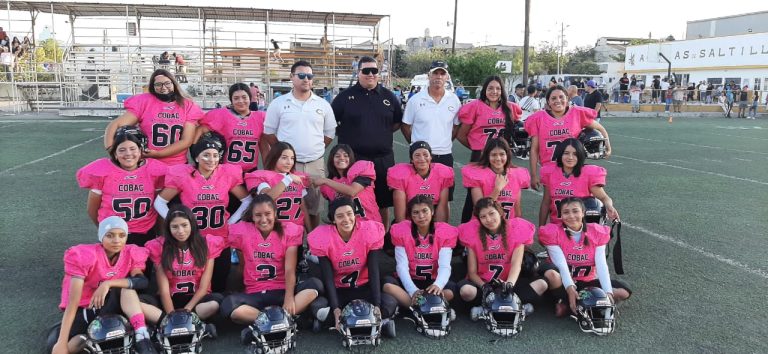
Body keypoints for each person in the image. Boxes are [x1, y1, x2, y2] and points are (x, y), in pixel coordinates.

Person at [154, 135, 251, 292]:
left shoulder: (226, 174)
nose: (211, 159)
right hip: (193, 238)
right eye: (206, 155)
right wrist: (176, 222)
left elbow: (247, 200)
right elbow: (159, 202)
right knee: (194, 283)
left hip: (220, 237)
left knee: (220, 281)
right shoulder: (184, 175)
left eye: (215, 155)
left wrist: (231, 222)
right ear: (197, 158)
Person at [49, 217, 155, 354]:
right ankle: (91, 341)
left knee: (126, 289)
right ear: (101, 237)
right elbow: (72, 302)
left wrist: (108, 283)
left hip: (114, 304)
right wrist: (61, 342)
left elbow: (141, 281)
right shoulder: (86, 256)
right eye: (110, 235)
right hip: (87, 308)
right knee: (65, 346)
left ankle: (143, 335)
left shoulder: (130, 252)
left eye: (122, 235)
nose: (116, 240)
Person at [222, 194, 322, 338]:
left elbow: (289, 269)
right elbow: (242, 265)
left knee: (315, 285)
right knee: (228, 305)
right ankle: (283, 322)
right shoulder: (243, 231)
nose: (263, 219)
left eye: (268, 214)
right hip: (254, 293)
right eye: (258, 215)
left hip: (280, 291)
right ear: (252, 216)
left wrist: (288, 297)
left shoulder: (288, 230)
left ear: (275, 213)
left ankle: (265, 324)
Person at [307, 197, 398, 335]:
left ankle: (337, 322)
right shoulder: (324, 238)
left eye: (349, 214)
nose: (346, 219)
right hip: (339, 290)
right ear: (333, 219)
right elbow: (328, 277)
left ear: (355, 214)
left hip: (363, 287)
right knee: (317, 307)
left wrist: (377, 305)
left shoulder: (367, 232)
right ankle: (375, 322)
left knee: (390, 303)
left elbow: (374, 271)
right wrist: (336, 307)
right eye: (340, 216)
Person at [263, 60, 336, 230]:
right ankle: (287, 243)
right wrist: (284, 153)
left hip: (314, 163)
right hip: (287, 166)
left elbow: (329, 134)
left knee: (314, 207)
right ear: (291, 77)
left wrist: (315, 149)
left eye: (309, 76)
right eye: (301, 75)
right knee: (284, 205)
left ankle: (312, 245)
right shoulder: (279, 103)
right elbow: (269, 132)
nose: (306, 79)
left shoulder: (323, 104)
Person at [332, 56, 403, 227]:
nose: (370, 74)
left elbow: (397, 123)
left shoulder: (389, 97)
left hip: (383, 159)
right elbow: (331, 124)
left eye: (374, 71)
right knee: (352, 200)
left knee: (383, 202)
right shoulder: (344, 97)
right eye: (366, 71)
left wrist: (378, 134)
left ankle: (382, 236)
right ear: (358, 73)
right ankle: (353, 235)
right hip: (354, 159)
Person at [540, 197, 631, 316]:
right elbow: (561, 264)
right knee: (551, 275)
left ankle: (571, 304)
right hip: (563, 282)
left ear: (583, 213)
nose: (571, 216)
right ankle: (581, 302)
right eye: (566, 212)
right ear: (560, 215)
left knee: (624, 291)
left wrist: (608, 292)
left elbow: (601, 264)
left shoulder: (596, 232)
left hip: (587, 282)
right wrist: (570, 288)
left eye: (575, 211)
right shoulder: (553, 232)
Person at [457, 198, 548, 317]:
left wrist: (509, 284)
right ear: (479, 219)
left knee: (542, 284)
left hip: (508, 283)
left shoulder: (516, 230)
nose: (488, 219)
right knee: (466, 291)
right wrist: (484, 286)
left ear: (500, 212)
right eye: (483, 217)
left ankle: (490, 308)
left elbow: (516, 264)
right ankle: (513, 306)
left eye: (491, 213)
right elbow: (472, 272)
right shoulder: (473, 234)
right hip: (484, 285)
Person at [77, 127, 167, 246]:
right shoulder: (103, 170)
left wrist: (160, 234)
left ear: (140, 151)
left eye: (132, 149)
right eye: (122, 150)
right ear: (115, 153)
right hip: (114, 232)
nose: (128, 153)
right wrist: (104, 227)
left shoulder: (154, 170)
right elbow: (92, 209)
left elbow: (157, 206)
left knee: (145, 264)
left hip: (145, 231)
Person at [140, 206, 224, 335]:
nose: (180, 231)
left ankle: (171, 325)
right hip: (169, 300)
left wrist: (187, 310)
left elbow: (203, 287)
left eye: (184, 225)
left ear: (192, 224)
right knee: (137, 302)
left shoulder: (206, 244)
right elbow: (164, 290)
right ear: (168, 228)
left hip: (196, 301)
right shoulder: (159, 246)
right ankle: (180, 323)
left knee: (215, 303)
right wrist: (172, 314)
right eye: (175, 227)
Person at [104, 69, 203, 166]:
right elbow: (115, 125)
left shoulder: (187, 105)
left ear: (174, 84)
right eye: (158, 84)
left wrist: (159, 154)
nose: (163, 87)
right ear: (152, 86)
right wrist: (111, 150)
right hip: (148, 164)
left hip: (176, 164)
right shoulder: (145, 102)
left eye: (167, 83)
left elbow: (186, 141)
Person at [525, 85, 611, 190]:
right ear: (548, 101)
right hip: (550, 169)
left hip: (573, 167)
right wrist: (533, 175)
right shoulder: (538, 118)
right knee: (551, 201)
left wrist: (608, 146)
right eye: (553, 98)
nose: (558, 100)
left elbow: (601, 129)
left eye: (561, 97)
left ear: (567, 98)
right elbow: (534, 149)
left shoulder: (577, 113)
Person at [383, 195, 459, 308]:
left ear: (432, 211)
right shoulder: (402, 232)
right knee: (387, 285)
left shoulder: (443, 232)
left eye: (425, 211)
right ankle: (431, 306)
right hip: (410, 279)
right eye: (416, 212)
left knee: (451, 291)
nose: (421, 216)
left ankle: (415, 307)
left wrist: (438, 285)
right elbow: (402, 267)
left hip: (433, 281)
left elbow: (445, 266)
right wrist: (412, 290)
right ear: (410, 216)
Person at [401, 60, 461, 202]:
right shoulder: (415, 100)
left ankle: (441, 225)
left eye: (442, 73)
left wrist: (446, 141)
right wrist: (416, 145)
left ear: (447, 77)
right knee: (416, 198)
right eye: (435, 73)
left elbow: (457, 125)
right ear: (429, 75)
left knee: (444, 199)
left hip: (444, 155)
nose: (438, 77)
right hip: (420, 157)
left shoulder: (454, 100)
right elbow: (405, 126)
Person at [539, 138, 619, 226]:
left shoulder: (588, 173)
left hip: (579, 227)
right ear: (560, 154)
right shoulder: (550, 173)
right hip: (557, 226)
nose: (570, 157)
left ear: (580, 155)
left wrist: (609, 206)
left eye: (575, 154)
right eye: (566, 153)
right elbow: (546, 203)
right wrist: (541, 227)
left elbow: (604, 198)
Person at [197, 83, 269, 174]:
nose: (240, 101)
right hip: (227, 171)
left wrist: (268, 171)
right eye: (236, 98)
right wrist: (195, 153)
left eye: (244, 97)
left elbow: (264, 147)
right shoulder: (222, 115)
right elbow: (200, 130)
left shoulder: (260, 117)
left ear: (250, 98)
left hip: (250, 171)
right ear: (231, 100)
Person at [244, 141, 310, 230]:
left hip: (295, 230)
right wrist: (288, 178)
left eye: (292, 158)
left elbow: (303, 208)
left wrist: (310, 231)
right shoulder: (263, 176)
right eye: (284, 158)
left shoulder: (297, 177)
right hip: (273, 230)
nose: (289, 162)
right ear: (274, 157)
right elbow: (266, 198)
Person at [461, 138, 529, 222]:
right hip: (485, 227)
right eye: (493, 155)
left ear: (507, 155)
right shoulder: (478, 176)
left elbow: (517, 210)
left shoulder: (516, 175)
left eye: (502, 154)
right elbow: (480, 209)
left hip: (508, 226)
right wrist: (497, 189)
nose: (498, 158)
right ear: (487, 156)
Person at [456, 75, 522, 162]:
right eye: (490, 88)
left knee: (501, 176)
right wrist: (476, 148)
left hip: (501, 156)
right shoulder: (474, 107)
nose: (494, 91)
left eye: (498, 88)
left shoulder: (510, 107)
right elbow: (461, 135)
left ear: (502, 90)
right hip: (481, 155)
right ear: (485, 89)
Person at [387, 141, 454, 223]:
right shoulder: (401, 175)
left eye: (425, 155)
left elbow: (442, 207)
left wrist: (439, 229)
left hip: (432, 218)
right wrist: (404, 229)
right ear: (411, 159)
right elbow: (400, 214)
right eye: (417, 155)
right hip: (411, 218)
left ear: (431, 157)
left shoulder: (442, 174)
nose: (422, 159)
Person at [313, 144, 381, 223]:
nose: (342, 158)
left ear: (351, 158)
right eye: (337, 156)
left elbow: (352, 191)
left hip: (369, 223)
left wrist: (326, 181)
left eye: (346, 156)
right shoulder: (329, 186)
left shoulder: (361, 171)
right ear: (332, 160)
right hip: (346, 227)